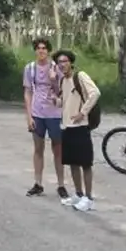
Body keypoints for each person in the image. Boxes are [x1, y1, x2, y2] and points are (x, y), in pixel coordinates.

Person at [54, 49, 100, 212]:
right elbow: (64, 102)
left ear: (71, 62)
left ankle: (88, 198)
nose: (62, 65)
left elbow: (94, 93)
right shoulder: (63, 81)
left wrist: (83, 112)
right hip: (67, 127)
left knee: (85, 163)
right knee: (72, 163)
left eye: (65, 61)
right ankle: (79, 195)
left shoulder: (79, 76)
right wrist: (56, 100)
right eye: (59, 62)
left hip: (80, 126)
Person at [23, 37, 68, 199]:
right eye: (38, 48)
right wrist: (29, 116)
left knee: (58, 149)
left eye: (44, 48)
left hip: (54, 113)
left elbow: (63, 90)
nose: (41, 51)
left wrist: (53, 79)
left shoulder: (56, 68)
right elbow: (28, 92)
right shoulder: (30, 68)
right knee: (38, 148)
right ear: (35, 51)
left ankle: (61, 184)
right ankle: (38, 183)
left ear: (48, 51)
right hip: (37, 112)